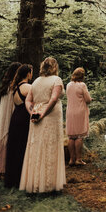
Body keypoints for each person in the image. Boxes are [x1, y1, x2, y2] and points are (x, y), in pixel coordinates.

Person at [20, 57, 66, 193]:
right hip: (50, 117)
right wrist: (43, 114)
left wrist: (32, 112)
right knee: (50, 146)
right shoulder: (56, 80)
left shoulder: (36, 81)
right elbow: (53, 99)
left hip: (36, 116)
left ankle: (36, 182)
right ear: (55, 67)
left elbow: (28, 101)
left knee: (36, 147)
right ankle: (48, 184)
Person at [4, 64, 33, 188]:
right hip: (23, 118)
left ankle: (12, 178)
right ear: (28, 74)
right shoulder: (27, 87)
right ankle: (21, 178)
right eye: (31, 72)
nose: (32, 75)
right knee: (22, 146)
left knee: (14, 148)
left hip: (15, 118)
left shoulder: (15, 87)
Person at [0, 61, 21, 178]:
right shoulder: (13, 86)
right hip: (10, 113)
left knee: (3, 138)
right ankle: (5, 168)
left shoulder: (6, 85)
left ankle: (0, 169)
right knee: (8, 138)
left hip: (3, 114)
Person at [66, 67, 92, 166]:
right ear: (82, 76)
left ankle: (71, 160)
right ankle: (78, 159)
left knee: (71, 136)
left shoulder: (68, 85)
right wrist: (90, 98)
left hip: (70, 112)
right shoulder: (82, 85)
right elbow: (88, 99)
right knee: (79, 136)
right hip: (80, 112)